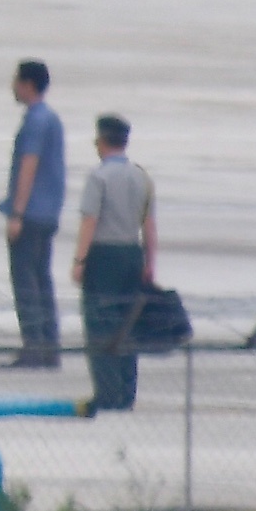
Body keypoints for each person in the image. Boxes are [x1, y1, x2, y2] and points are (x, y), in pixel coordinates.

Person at [73, 115, 155, 411]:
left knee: (100, 325)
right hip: (132, 253)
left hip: (104, 255)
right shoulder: (141, 177)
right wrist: (150, 262)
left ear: (102, 141)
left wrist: (79, 259)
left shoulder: (99, 178)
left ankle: (107, 393)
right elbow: (149, 225)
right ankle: (126, 393)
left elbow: (89, 220)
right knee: (127, 324)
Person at [0, 59, 66, 370]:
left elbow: (29, 165)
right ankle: (49, 344)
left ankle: (35, 345)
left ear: (27, 84)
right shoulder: (50, 119)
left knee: (26, 278)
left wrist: (17, 213)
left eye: (16, 81)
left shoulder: (35, 121)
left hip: (32, 213)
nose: (13, 86)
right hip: (48, 211)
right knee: (41, 277)